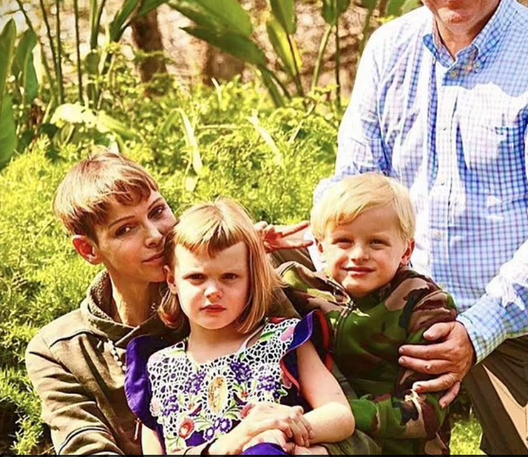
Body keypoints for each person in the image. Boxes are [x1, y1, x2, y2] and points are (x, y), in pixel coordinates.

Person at [313, 0, 528, 454]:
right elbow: (356, 185)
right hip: (400, 313)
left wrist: (477, 329)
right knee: (324, 422)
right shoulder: (388, 50)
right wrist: (316, 236)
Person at [24, 151, 375, 456]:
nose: (155, 235)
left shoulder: (244, 298)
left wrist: (288, 441)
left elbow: (355, 432)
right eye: (125, 230)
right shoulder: (61, 352)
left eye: (157, 211)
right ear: (88, 249)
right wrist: (226, 445)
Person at [125, 198, 355, 455]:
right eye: (196, 277)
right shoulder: (157, 367)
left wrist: (279, 429)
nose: (213, 291)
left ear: (251, 279)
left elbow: (340, 415)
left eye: (229, 277)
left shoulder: (283, 339)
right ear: (172, 280)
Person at [279, 173, 458, 455]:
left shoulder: (424, 304)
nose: (359, 254)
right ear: (320, 246)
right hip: (321, 432)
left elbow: (426, 411)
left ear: (406, 250)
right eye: (344, 241)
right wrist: (252, 244)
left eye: (376, 242)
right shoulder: (298, 286)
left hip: (397, 446)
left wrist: (343, 414)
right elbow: (235, 294)